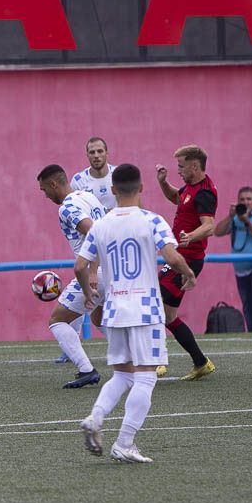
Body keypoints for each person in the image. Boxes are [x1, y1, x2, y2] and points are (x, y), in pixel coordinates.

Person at [76, 164, 196, 463]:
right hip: (145, 310)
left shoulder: (100, 225)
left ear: (113, 190)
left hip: (115, 310)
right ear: (142, 188)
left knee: (122, 375)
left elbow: (80, 266)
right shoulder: (151, 220)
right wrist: (188, 273)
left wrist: (89, 291)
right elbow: (171, 255)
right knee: (145, 378)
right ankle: (124, 443)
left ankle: (95, 417)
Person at [37, 165, 106, 388]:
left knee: (57, 321)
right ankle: (135, 360)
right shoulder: (88, 197)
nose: (45, 195)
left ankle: (86, 370)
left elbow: (94, 232)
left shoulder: (66, 207)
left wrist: (93, 271)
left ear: (53, 184)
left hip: (96, 271)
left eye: (44, 190)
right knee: (99, 318)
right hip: (113, 269)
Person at [154, 145, 218, 380]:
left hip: (186, 260)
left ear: (194, 165)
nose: (178, 170)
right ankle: (201, 363)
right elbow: (176, 197)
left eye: (181, 166)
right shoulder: (191, 188)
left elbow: (209, 225)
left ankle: (156, 361)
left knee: (154, 300)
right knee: (169, 316)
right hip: (180, 257)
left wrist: (191, 235)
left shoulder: (204, 192)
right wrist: (163, 181)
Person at [214, 186, 252, 332]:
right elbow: (217, 232)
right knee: (247, 301)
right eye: (242, 199)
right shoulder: (235, 219)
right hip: (241, 267)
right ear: (237, 202)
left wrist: (247, 221)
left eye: (249, 199)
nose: (246, 202)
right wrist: (230, 217)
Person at [70, 137, 117, 211]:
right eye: (92, 152)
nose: (96, 156)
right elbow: (74, 211)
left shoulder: (119, 174)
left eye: (100, 151)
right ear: (87, 155)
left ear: (107, 153)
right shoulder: (78, 181)